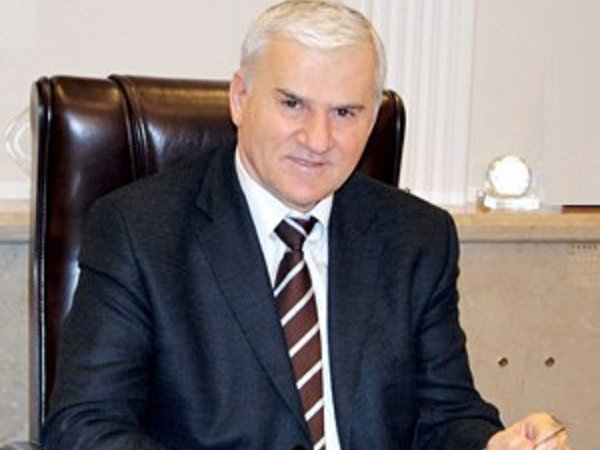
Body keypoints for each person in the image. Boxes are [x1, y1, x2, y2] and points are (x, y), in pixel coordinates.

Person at [43, 1, 571, 449]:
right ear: (241, 98)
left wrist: (492, 444)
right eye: (293, 104)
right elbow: (85, 427)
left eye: (345, 113)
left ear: (372, 118)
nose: (317, 140)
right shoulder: (139, 231)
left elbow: (445, 414)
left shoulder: (416, 237)